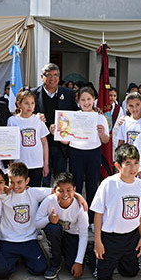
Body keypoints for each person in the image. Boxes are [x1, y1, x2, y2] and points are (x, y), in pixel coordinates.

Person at [51, 87, 109, 222]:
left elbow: (106, 140)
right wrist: (57, 133)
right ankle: (76, 215)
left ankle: (92, 218)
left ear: (94, 100)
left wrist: (101, 133)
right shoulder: (73, 117)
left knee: (92, 185)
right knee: (75, 183)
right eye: (83, 99)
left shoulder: (100, 117)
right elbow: (66, 141)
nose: (86, 102)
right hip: (76, 152)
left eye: (89, 99)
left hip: (94, 153)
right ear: (78, 102)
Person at [91, 143, 141, 280]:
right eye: (128, 163)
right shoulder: (108, 184)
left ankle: (120, 259)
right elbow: (98, 214)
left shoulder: (140, 185)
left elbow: (139, 214)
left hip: (131, 236)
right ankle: (91, 254)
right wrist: (98, 241)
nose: (133, 168)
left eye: (136, 163)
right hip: (110, 237)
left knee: (131, 273)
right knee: (103, 277)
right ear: (118, 166)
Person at [35, 172, 89, 280]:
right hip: (56, 233)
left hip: (72, 235)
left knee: (72, 268)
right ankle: (55, 263)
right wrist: (48, 219)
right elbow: (37, 223)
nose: (65, 194)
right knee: (53, 228)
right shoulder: (49, 200)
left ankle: (85, 249)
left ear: (74, 189)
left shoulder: (80, 207)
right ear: (55, 190)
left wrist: (78, 262)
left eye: (69, 190)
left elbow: (84, 234)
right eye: (61, 190)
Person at [32, 63, 78, 185]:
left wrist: (93, 112)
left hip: (60, 145)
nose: (52, 78)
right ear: (42, 77)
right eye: (48, 75)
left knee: (61, 179)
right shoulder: (33, 94)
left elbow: (76, 115)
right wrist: (34, 116)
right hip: (41, 144)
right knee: (43, 179)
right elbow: (23, 113)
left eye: (55, 75)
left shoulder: (68, 94)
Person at [8, 90, 49, 187]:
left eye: (32, 103)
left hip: (37, 163)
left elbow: (44, 143)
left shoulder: (38, 120)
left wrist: (46, 163)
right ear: (19, 104)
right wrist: (10, 162)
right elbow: (10, 143)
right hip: (19, 163)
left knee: (34, 190)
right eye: (26, 103)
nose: (30, 106)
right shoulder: (12, 120)